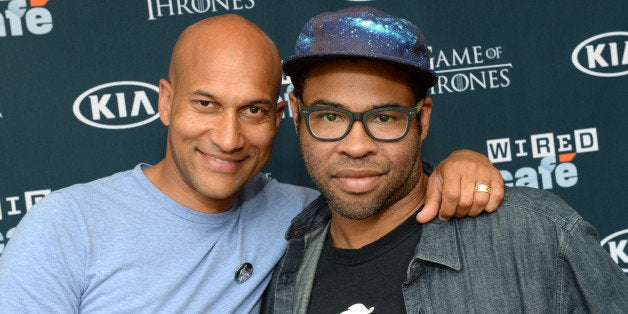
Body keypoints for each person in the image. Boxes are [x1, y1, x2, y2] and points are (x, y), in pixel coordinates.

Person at [0, 14, 505, 313]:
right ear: (165, 103)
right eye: (205, 104)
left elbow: (386, 183)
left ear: (282, 116)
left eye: (253, 110)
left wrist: (459, 165)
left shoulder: (308, 216)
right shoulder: (66, 226)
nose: (228, 137)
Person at [263, 6, 628, 313]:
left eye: (385, 117)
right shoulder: (278, 269)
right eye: (330, 117)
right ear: (297, 115)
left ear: (422, 120)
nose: (356, 146)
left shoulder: (539, 237)